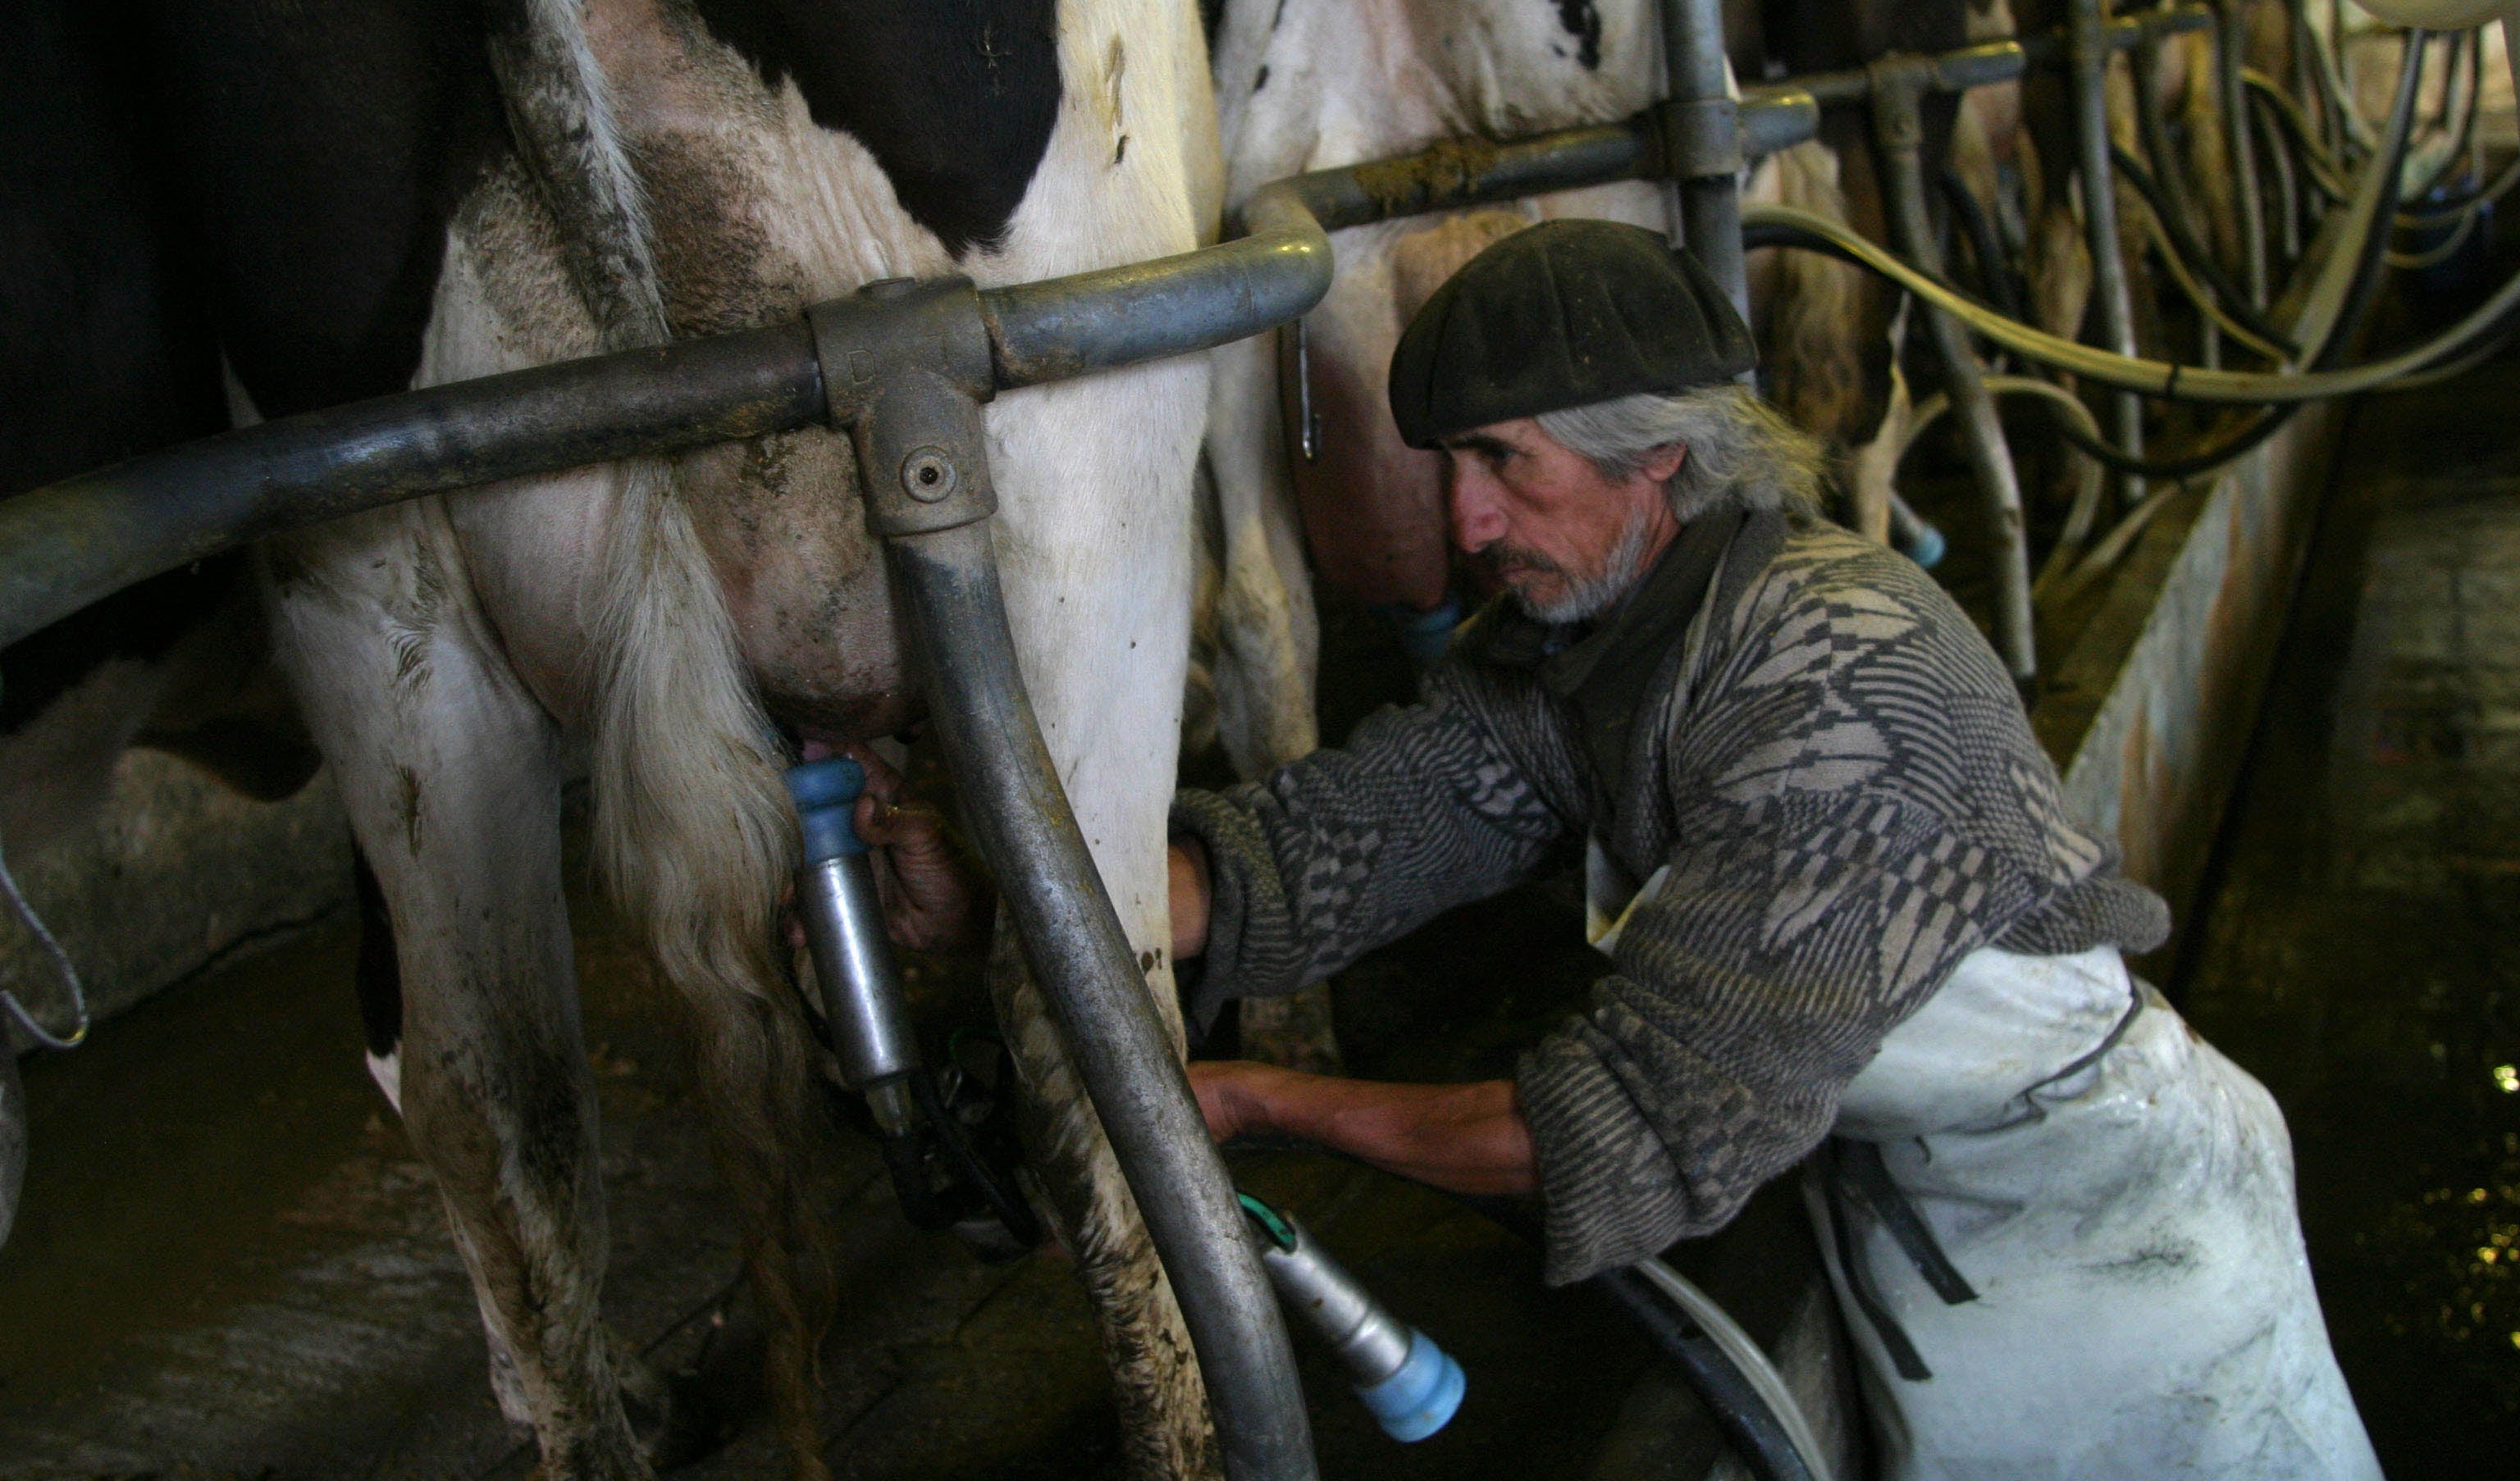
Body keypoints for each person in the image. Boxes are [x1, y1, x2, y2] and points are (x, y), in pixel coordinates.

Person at [851, 220, 2377, 1479]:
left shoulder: (1835, 697)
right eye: (1447, 463)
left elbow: (1614, 1135)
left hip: (2123, 1244)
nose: (1461, 521)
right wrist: (1007, 896)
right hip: (1926, 1214)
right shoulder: (1602, 644)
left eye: (1506, 463)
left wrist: (1255, 1102)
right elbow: (1340, 842)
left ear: (1657, 459)